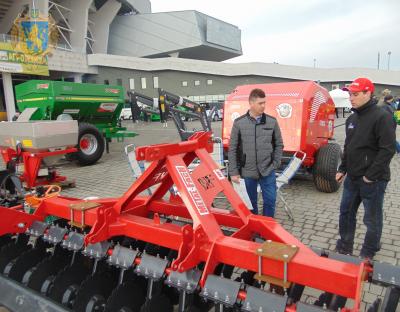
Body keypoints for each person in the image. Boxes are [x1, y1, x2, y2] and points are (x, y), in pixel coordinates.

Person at [335, 78, 396, 259]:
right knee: (346, 213)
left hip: (373, 180)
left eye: (355, 94)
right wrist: (342, 168)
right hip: (352, 178)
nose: (351, 98)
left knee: (371, 218)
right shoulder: (352, 119)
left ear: (368, 93)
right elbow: (349, 146)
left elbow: (388, 149)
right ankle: (344, 247)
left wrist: (370, 176)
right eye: (349, 94)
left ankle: (368, 252)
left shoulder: (382, 116)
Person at [228, 88, 284, 217]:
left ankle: (267, 231)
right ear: (251, 103)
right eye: (260, 103)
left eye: (264, 102)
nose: (263, 106)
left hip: (267, 170)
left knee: (270, 200)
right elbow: (232, 148)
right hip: (248, 171)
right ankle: (254, 230)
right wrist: (234, 172)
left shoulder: (272, 121)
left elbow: (279, 144)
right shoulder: (239, 123)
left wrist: (275, 163)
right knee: (250, 203)